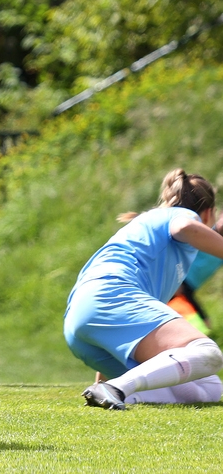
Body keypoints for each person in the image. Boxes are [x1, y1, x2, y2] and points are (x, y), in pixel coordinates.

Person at [66, 169, 223, 410]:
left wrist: (102, 381)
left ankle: (117, 391)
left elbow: (118, 322)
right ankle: (118, 388)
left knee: (209, 387)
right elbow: (184, 227)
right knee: (207, 354)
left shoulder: (150, 223)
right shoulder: (181, 215)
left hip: (81, 321)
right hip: (112, 296)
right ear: (209, 212)